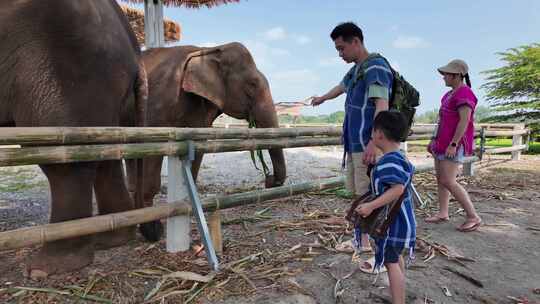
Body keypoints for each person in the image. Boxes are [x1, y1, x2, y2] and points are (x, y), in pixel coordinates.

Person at [311, 22, 393, 253]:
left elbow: (382, 105)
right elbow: (341, 86)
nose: (340, 54)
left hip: (366, 144)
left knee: (368, 193)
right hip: (355, 143)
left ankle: (368, 242)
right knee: (360, 194)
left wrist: (374, 143)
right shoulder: (358, 68)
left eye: (341, 48)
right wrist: (322, 99)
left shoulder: (375, 67)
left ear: (356, 42)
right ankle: (363, 239)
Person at [356, 111, 416, 304]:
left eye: (373, 131)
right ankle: (401, 294)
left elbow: (396, 189)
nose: (372, 135)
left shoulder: (390, 161)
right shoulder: (398, 157)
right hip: (401, 220)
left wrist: (371, 206)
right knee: (395, 258)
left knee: (390, 263)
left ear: (379, 133)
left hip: (394, 223)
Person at [426, 59, 482, 232]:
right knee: (440, 180)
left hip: (452, 144)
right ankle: (443, 212)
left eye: (446, 74)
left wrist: (454, 144)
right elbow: (441, 120)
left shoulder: (465, 94)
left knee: (448, 180)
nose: (443, 77)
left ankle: (473, 216)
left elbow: (464, 121)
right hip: (441, 143)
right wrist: (433, 140)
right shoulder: (448, 95)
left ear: (457, 75)